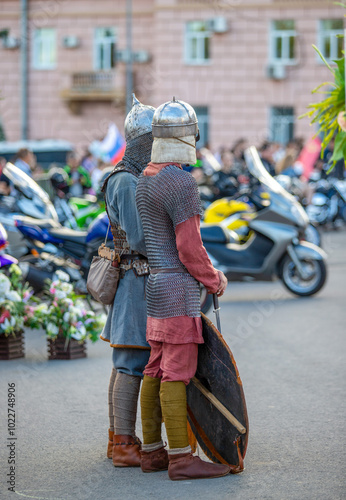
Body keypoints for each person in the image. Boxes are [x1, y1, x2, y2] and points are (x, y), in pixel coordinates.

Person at [136, 98, 230, 481]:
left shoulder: (146, 177)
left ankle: (152, 452)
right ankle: (180, 459)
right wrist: (215, 279)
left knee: (155, 367)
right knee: (175, 371)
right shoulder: (179, 181)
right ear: (188, 137)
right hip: (177, 289)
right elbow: (190, 248)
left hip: (157, 286)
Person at [100, 95, 155, 467]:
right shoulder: (124, 180)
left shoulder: (132, 176)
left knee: (127, 361)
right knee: (130, 362)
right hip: (134, 279)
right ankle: (122, 444)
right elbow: (138, 239)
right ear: (142, 142)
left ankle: (120, 438)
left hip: (138, 280)